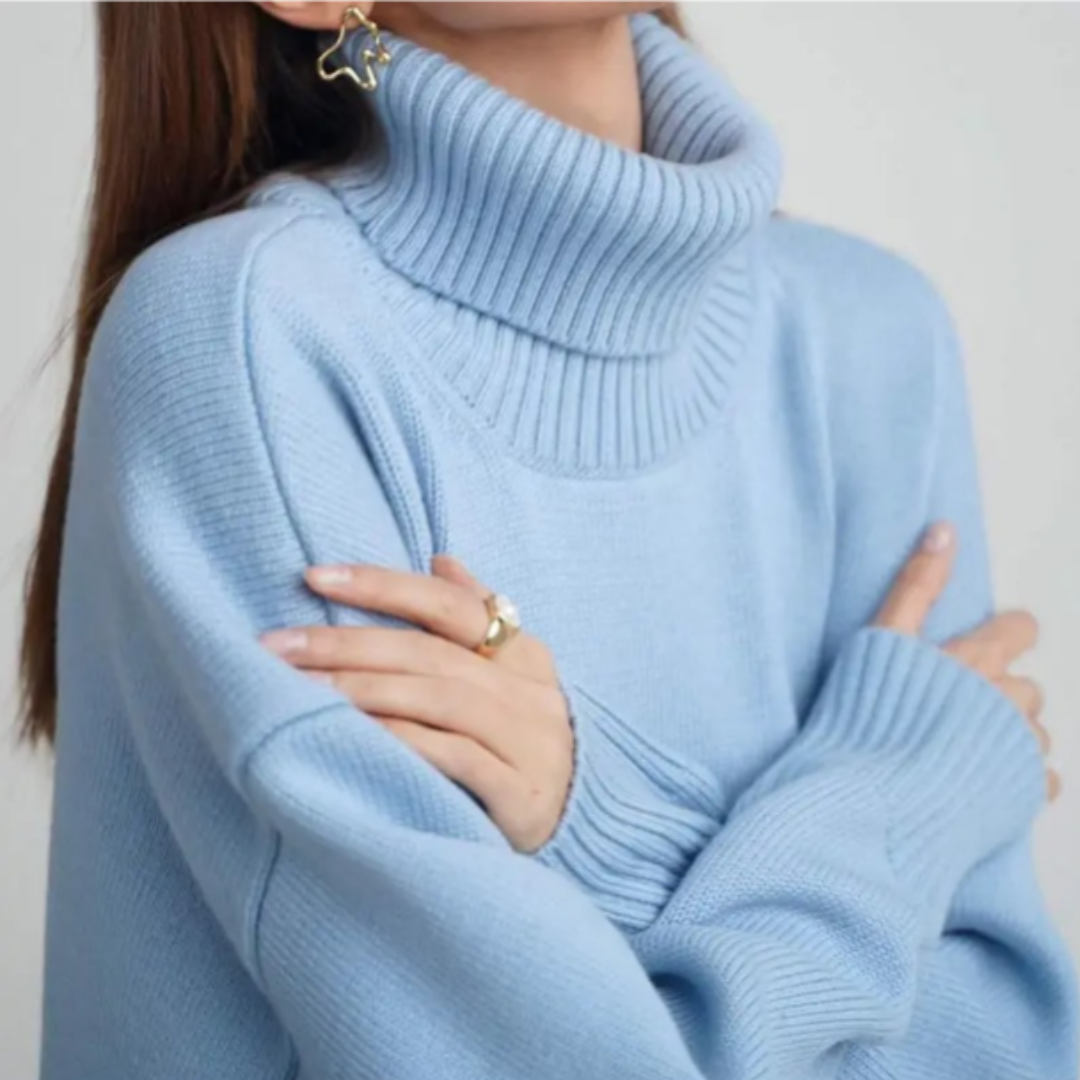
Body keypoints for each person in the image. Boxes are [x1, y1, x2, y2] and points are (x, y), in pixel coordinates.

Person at [19, 3, 1077, 1078]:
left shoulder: (876, 336)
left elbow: (1011, 1045)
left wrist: (587, 815)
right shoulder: (250, 338)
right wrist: (894, 803)